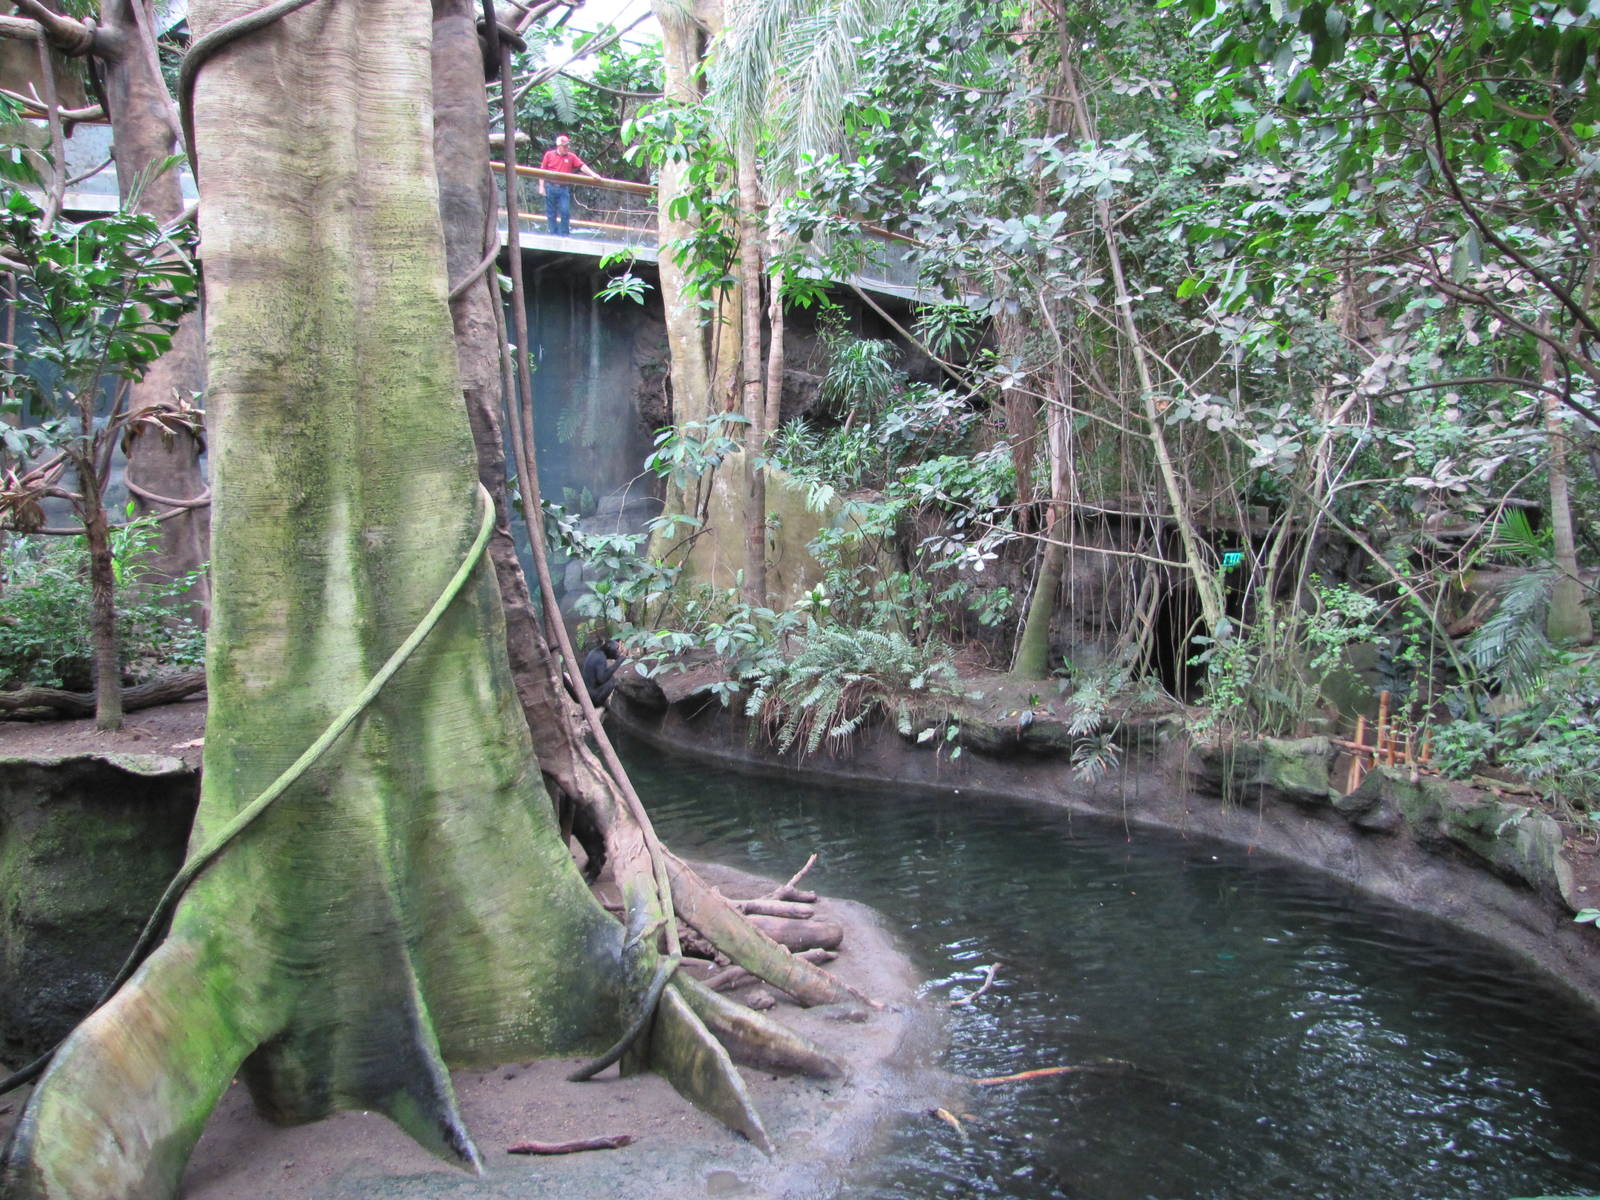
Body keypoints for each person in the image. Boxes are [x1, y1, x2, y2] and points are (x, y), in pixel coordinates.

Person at [538, 134, 601, 236]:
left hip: (563, 188)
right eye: (564, 146)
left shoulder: (571, 156)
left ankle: (564, 235)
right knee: (551, 213)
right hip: (551, 187)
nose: (567, 148)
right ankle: (553, 234)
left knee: (565, 211)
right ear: (559, 146)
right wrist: (541, 186)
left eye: (567, 146)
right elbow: (542, 171)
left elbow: (582, 166)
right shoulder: (549, 155)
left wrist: (593, 174)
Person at [581, 636, 625, 707]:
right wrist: (618, 662)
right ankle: (598, 704)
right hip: (591, 697)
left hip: (588, 691)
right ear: (609, 651)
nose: (618, 653)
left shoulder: (596, 652)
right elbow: (601, 680)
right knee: (611, 682)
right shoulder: (600, 658)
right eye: (616, 651)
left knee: (610, 677)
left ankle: (601, 701)